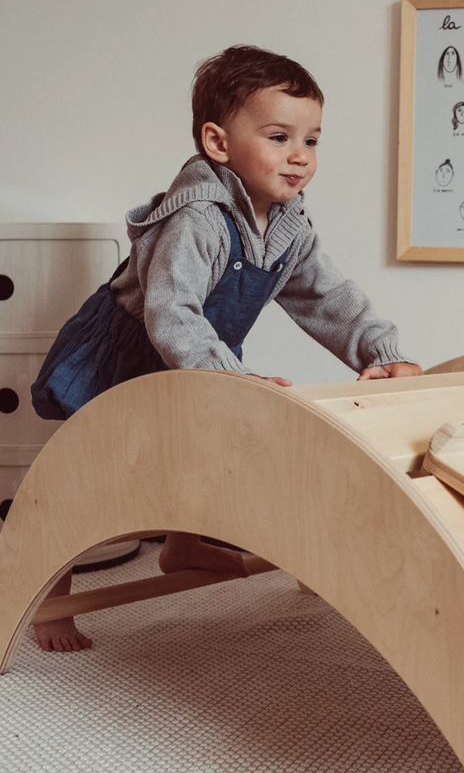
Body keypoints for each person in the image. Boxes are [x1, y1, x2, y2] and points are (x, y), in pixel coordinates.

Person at [29, 45, 422, 653]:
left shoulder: (288, 225)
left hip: (201, 356)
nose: (299, 156)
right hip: (133, 349)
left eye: (312, 140)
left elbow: (326, 296)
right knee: (91, 477)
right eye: (278, 136)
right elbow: (172, 312)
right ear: (218, 143)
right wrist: (226, 378)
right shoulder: (198, 218)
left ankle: (182, 545)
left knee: (203, 448)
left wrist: (379, 348)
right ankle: (53, 598)